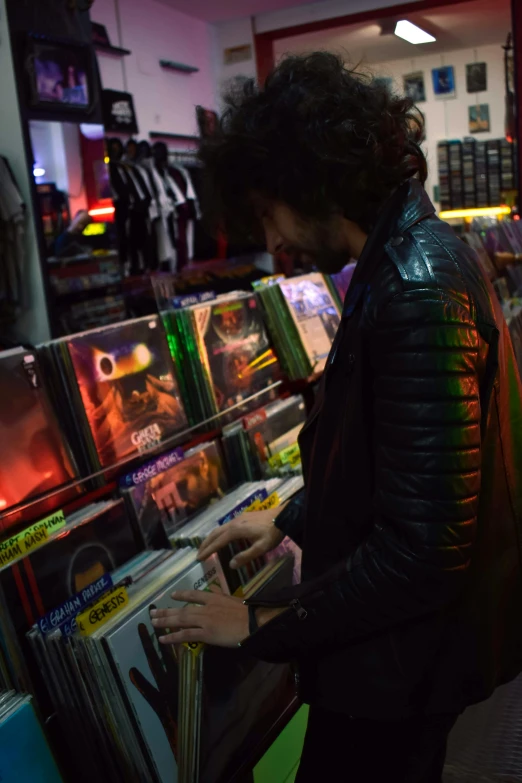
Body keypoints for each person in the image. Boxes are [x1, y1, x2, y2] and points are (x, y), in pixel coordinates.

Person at [150, 53, 522, 782]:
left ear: (306, 183)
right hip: (401, 657)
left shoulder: (415, 286)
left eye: (267, 209)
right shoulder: (404, 257)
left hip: (401, 666)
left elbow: (423, 550)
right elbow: (393, 462)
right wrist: (291, 518)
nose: (273, 235)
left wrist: (261, 624)